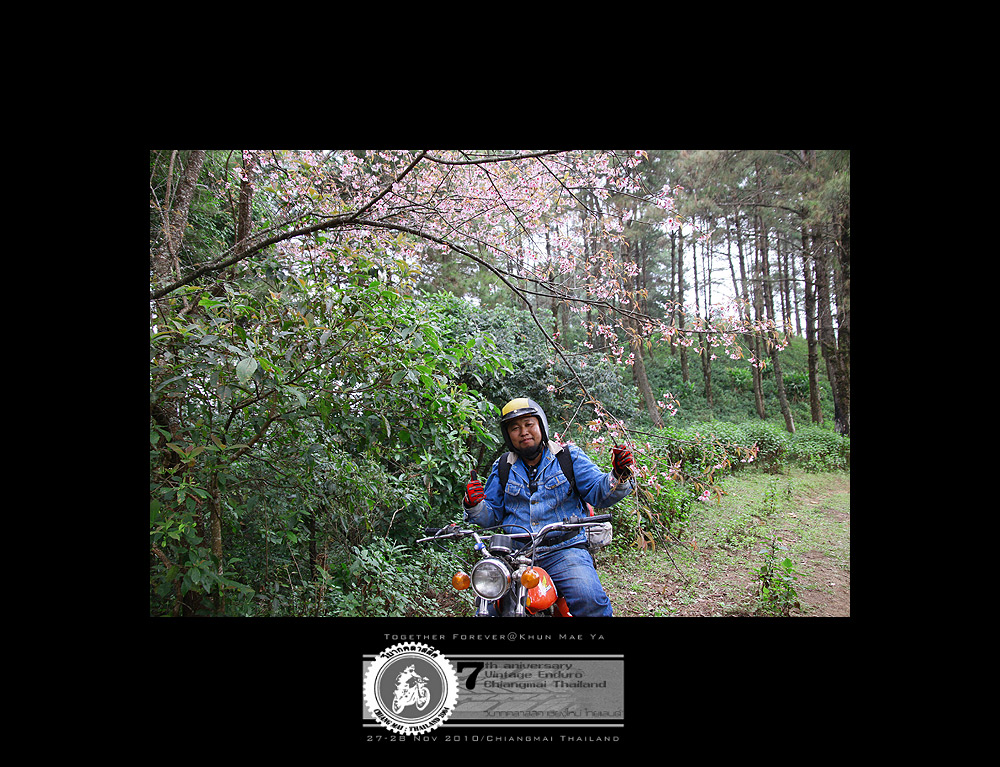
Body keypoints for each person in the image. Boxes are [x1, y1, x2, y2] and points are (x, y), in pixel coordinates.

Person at [462, 398, 635, 617]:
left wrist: (619, 474)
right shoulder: (503, 466)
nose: (523, 432)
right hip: (514, 553)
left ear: (541, 425)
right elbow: (492, 516)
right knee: (487, 605)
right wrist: (474, 504)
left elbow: (598, 492)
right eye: (515, 428)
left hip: (564, 549)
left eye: (529, 424)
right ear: (508, 435)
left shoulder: (568, 457)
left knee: (589, 599)